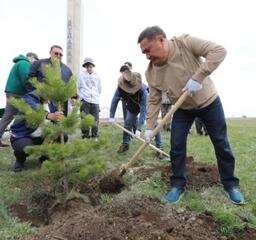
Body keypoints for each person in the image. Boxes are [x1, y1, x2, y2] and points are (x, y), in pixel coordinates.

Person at [138, 26, 244, 204]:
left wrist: (199, 76)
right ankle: (177, 185)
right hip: (182, 109)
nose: (147, 56)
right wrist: (149, 127)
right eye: (143, 53)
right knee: (176, 146)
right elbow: (154, 100)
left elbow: (218, 51)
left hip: (209, 102)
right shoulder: (151, 72)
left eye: (148, 50)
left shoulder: (185, 43)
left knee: (221, 143)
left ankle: (230, 184)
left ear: (161, 40)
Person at [109, 64, 163, 156]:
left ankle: (159, 148)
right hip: (132, 106)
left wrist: (138, 129)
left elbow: (143, 111)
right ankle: (125, 144)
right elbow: (115, 101)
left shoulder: (143, 92)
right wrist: (111, 116)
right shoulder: (121, 88)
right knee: (128, 122)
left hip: (146, 105)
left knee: (154, 124)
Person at [28, 45, 73, 142]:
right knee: (42, 132)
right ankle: (42, 153)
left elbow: (70, 87)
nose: (58, 56)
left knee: (60, 134)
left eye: (60, 54)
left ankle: (56, 152)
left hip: (58, 105)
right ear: (50, 53)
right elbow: (30, 80)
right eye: (56, 53)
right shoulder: (39, 64)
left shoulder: (67, 70)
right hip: (41, 102)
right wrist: (37, 94)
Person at [10, 91, 63, 172]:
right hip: (24, 135)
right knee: (24, 146)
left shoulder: (52, 103)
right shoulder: (29, 97)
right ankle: (20, 159)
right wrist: (48, 115)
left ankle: (44, 158)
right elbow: (32, 106)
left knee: (62, 136)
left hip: (42, 136)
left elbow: (56, 122)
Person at [0, 52, 38, 148]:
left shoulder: (20, 63)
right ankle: (24, 137)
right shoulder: (24, 63)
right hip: (16, 94)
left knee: (8, 117)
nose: (35, 64)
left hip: (13, 93)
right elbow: (27, 80)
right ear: (31, 58)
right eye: (35, 61)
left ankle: (22, 137)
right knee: (25, 114)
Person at [77, 57, 101, 139]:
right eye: (87, 66)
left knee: (95, 119)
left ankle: (95, 136)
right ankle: (85, 136)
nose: (89, 68)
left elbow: (99, 88)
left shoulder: (97, 76)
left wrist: (96, 96)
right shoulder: (81, 75)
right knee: (84, 119)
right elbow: (79, 87)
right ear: (85, 66)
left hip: (95, 100)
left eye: (90, 66)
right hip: (85, 100)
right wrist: (82, 97)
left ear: (92, 66)